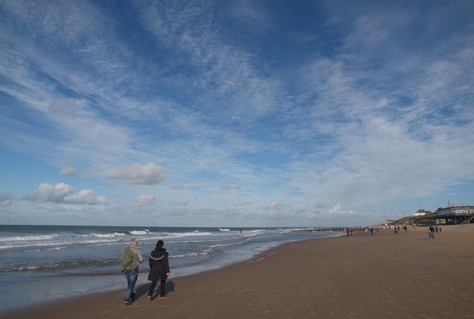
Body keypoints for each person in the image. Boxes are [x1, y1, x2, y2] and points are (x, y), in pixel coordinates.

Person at [121, 238, 143, 305]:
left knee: (129, 284)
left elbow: (121, 258)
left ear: (130, 242)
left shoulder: (125, 249)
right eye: (137, 242)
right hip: (133, 269)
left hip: (126, 269)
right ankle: (127, 300)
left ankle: (131, 295)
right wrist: (137, 261)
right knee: (131, 286)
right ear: (136, 243)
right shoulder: (137, 250)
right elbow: (141, 259)